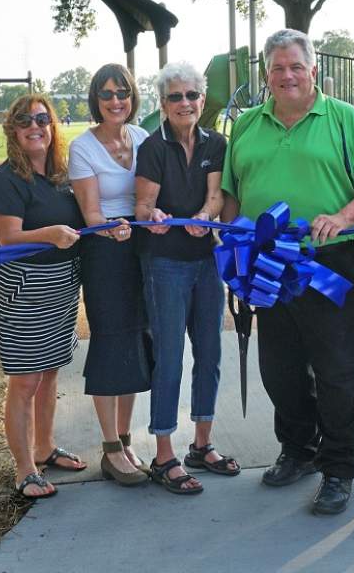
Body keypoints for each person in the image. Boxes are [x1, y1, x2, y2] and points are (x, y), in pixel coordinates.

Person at [221, 29, 354, 515]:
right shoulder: (245, 126)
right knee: (278, 368)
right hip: (266, 262)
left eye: (296, 66)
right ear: (266, 74)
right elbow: (234, 191)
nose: (287, 75)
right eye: (277, 68)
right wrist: (233, 235)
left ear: (313, 69)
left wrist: (342, 217)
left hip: (330, 261)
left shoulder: (345, 119)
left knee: (337, 368)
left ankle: (338, 467)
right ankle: (297, 449)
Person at [134, 61, 238, 495]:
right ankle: (163, 454)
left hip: (206, 261)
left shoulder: (216, 142)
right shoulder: (154, 147)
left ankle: (201, 444)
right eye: (175, 96)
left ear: (202, 98)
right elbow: (143, 206)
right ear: (162, 103)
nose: (184, 103)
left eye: (191, 95)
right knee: (171, 356)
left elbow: (216, 196)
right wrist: (154, 216)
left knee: (210, 353)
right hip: (165, 262)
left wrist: (203, 215)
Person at [0, 94, 87, 500]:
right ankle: (25, 469)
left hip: (61, 284)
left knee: (49, 372)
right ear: (13, 129)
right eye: (25, 120)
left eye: (42, 119)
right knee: (25, 378)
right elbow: (8, 237)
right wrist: (50, 234)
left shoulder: (60, 176)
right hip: (23, 286)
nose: (35, 126)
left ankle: (45, 447)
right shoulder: (5, 180)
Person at [69, 63, 153, 488]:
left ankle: (125, 438)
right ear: (96, 101)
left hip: (140, 250)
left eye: (122, 92)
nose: (116, 101)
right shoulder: (82, 147)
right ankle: (109, 449)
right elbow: (91, 213)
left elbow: (151, 194)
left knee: (136, 341)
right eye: (106, 94)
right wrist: (112, 227)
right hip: (105, 253)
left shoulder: (141, 139)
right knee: (110, 341)